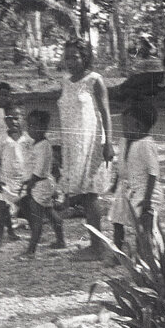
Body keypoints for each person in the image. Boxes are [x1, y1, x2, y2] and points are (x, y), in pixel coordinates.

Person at [53, 38, 114, 260]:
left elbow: (105, 113)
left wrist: (108, 143)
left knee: (90, 194)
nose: (70, 61)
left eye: (74, 57)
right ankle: (94, 244)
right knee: (82, 194)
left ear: (85, 57)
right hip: (72, 145)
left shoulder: (94, 80)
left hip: (91, 143)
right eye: (67, 57)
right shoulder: (65, 81)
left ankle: (97, 247)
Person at [108, 101, 162, 257]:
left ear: (139, 126)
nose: (123, 129)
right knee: (117, 219)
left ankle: (144, 256)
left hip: (144, 189)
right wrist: (115, 183)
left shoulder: (146, 144)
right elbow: (121, 165)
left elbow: (153, 173)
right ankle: (118, 253)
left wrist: (148, 198)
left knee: (142, 224)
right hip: (125, 188)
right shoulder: (124, 141)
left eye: (126, 126)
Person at [17, 110, 65, 259]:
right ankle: (61, 240)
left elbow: (40, 170)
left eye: (36, 125)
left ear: (44, 127)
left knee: (36, 218)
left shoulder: (44, 146)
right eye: (30, 125)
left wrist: (30, 184)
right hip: (41, 183)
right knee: (50, 213)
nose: (32, 129)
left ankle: (31, 250)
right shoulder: (36, 144)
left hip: (40, 184)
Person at [0, 100, 29, 248]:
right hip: (5, 181)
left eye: (17, 118)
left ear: (23, 118)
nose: (13, 121)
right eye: (10, 118)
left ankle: (37, 237)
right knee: (1, 210)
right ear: (5, 120)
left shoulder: (28, 139)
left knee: (31, 209)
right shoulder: (2, 139)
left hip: (24, 181)